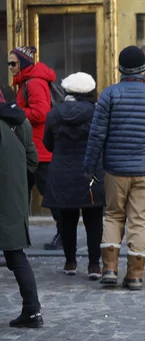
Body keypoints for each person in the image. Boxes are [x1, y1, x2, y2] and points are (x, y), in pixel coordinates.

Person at [84, 46, 145, 291]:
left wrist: (89, 166)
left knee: (113, 215)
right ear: (144, 68)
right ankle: (135, 275)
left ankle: (109, 269)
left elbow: (96, 135)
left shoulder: (109, 95)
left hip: (115, 168)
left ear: (120, 68)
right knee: (139, 219)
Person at [41, 72, 103, 279]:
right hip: (91, 172)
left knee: (67, 218)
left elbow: (47, 143)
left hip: (62, 170)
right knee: (93, 219)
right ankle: (94, 264)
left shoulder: (55, 113)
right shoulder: (97, 113)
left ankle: (70, 262)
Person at [9, 46, 60, 251]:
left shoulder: (34, 82)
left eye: (13, 63)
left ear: (24, 63)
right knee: (22, 193)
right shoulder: (27, 82)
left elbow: (40, 113)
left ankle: (64, 234)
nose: (10, 67)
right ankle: (17, 235)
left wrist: (15, 112)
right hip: (31, 147)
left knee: (48, 194)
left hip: (39, 149)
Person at [0, 87, 43, 328]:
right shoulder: (21, 122)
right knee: (17, 257)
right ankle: (32, 311)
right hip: (14, 198)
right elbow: (33, 161)